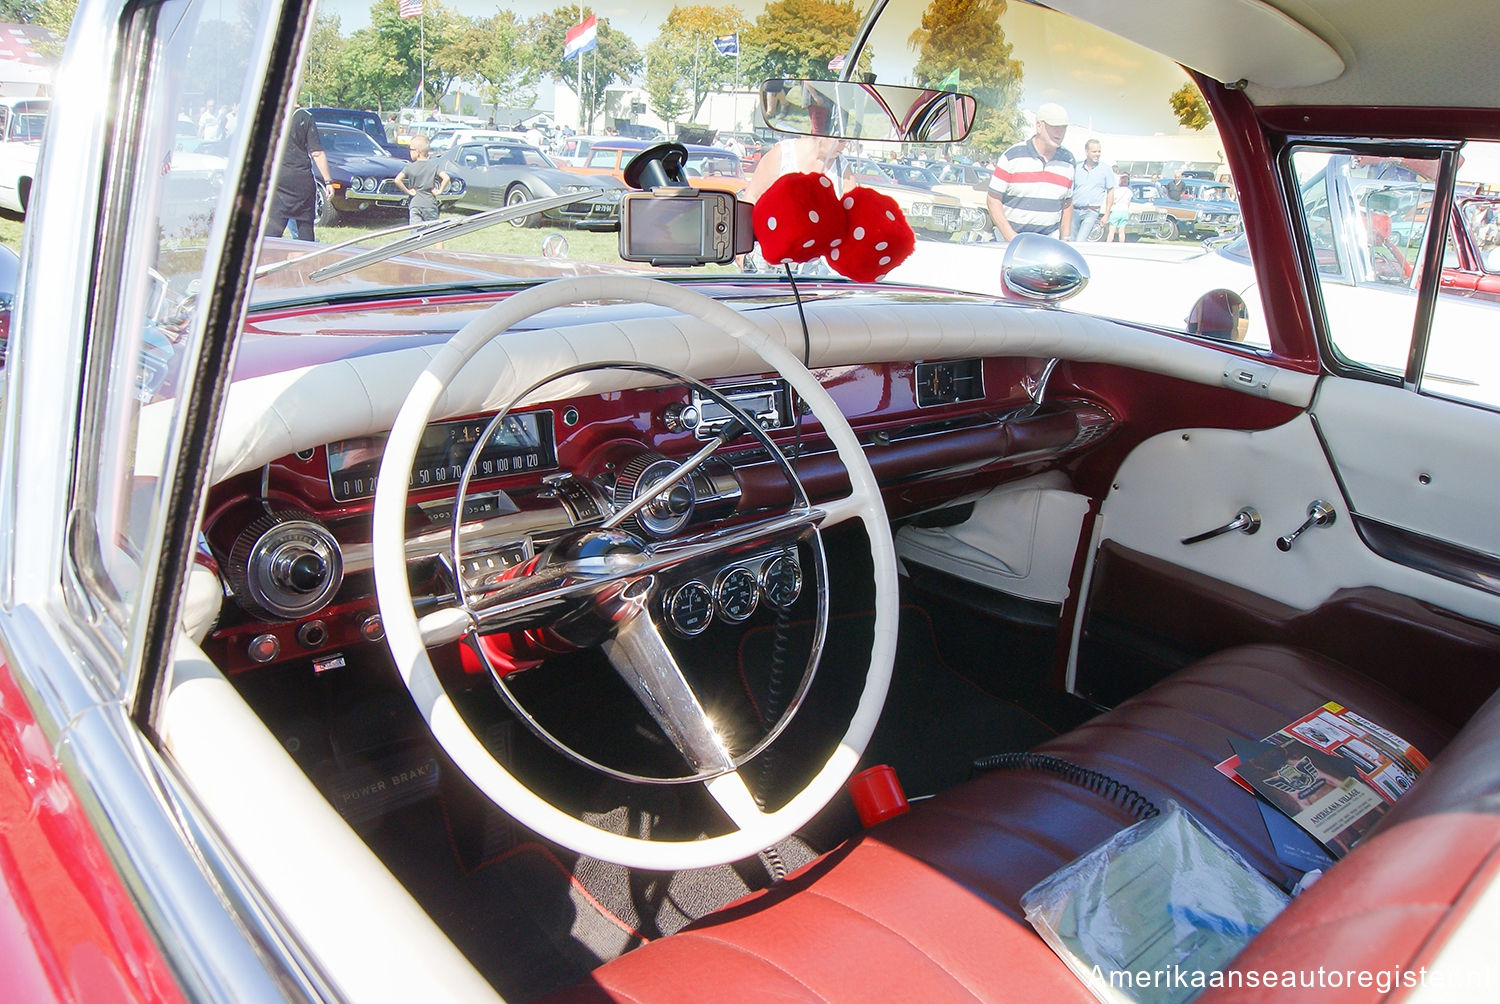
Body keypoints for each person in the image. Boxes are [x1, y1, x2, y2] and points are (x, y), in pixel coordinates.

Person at [987, 103, 1075, 240]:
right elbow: (993, 199)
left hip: (1048, 242)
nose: (1060, 132)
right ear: (1039, 126)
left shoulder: (1068, 162)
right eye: (1054, 127)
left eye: (1063, 128)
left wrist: (1065, 239)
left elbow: (1067, 204)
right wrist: (1010, 236)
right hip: (1008, 242)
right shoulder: (1012, 156)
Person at [270, 105, 333, 242]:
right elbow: (317, 153)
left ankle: (266, 257)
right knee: (305, 227)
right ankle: (306, 258)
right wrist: (328, 182)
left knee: (273, 228)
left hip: (277, 177)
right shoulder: (305, 117)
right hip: (301, 179)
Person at [394, 135, 451, 226]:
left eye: (411, 149)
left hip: (415, 204)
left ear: (417, 151)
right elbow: (446, 178)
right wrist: (440, 190)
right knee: (433, 232)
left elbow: (397, 180)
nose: (409, 152)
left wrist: (408, 191)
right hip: (430, 204)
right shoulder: (433, 166)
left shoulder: (409, 167)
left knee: (416, 232)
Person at [1070, 138, 1113, 241]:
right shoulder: (1077, 168)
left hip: (1091, 211)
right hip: (1074, 210)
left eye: (1099, 151)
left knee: (1080, 240)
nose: (1097, 154)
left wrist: (1106, 214)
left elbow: (1110, 192)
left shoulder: (1105, 170)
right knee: (1071, 241)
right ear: (1087, 152)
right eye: (1094, 151)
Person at [1106, 174, 1133, 242]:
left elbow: (1112, 200)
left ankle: (1108, 244)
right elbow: (1128, 203)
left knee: (1112, 231)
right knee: (1122, 231)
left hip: (1115, 210)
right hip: (1124, 211)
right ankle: (1121, 245)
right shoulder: (1129, 192)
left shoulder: (1116, 191)